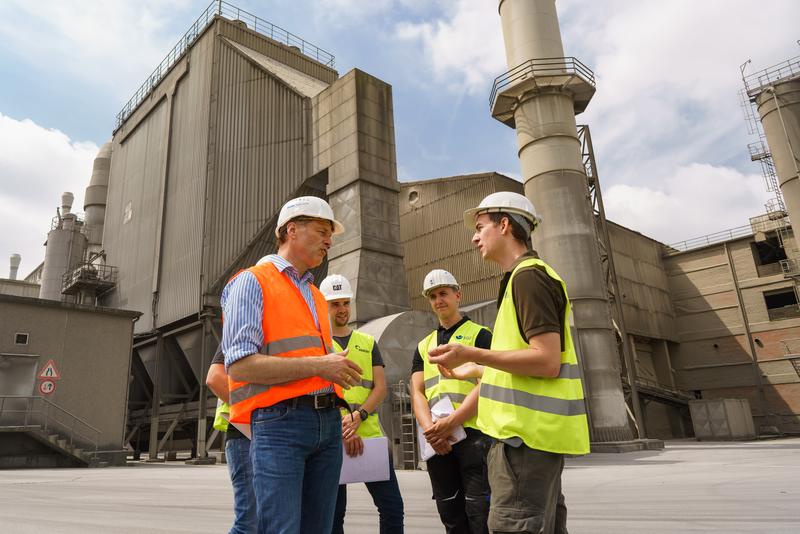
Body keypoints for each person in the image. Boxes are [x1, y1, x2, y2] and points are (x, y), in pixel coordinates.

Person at [428, 192, 590, 534]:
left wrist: (472, 353)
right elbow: (527, 362)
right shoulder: (522, 278)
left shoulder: (529, 277)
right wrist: (479, 369)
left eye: (480, 227)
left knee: (513, 526)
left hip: (524, 442)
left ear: (504, 225)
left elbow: (546, 360)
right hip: (529, 441)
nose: (474, 237)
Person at [221, 196, 363, 534]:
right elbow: (239, 366)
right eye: (321, 230)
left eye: (331, 234)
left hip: (327, 423)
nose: (329, 240)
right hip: (279, 424)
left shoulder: (315, 295)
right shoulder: (252, 282)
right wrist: (320, 366)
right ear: (291, 230)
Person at [319, 274, 405, 534]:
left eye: (345, 303)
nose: (342, 309)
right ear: (324, 306)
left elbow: (380, 387)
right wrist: (344, 429)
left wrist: (360, 417)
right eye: (335, 304)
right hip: (333, 440)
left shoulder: (368, 343)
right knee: (334, 516)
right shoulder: (319, 346)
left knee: (392, 508)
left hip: (370, 437)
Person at [410, 269, 493, 534]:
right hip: (439, 443)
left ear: (458, 295)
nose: (438, 300)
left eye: (443, 293)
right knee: (451, 517)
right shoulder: (424, 346)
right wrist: (432, 432)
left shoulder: (480, 336)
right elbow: (417, 392)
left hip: (474, 437)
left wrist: (452, 422)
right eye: (433, 296)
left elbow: (488, 383)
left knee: (480, 514)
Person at [206, 346, 257, 534]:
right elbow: (214, 379)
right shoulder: (241, 330)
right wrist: (260, 413)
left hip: (261, 434)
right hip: (243, 434)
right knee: (250, 523)